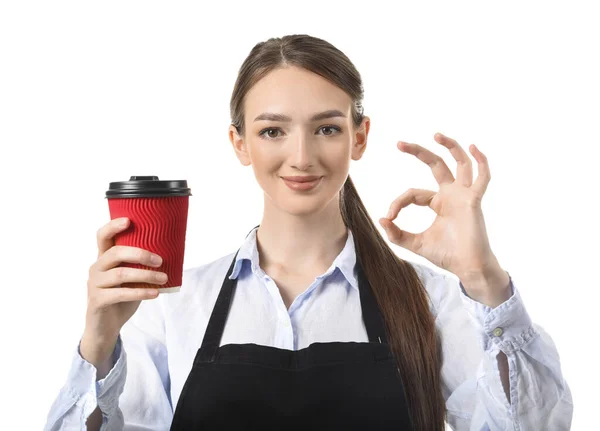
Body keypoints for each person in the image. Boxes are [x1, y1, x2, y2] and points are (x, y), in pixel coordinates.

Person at [44, 34, 573, 431]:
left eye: (326, 128)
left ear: (359, 137)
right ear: (239, 143)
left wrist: (483, 281)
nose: (301, 157)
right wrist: (98, 341)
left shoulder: (427, 300)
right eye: (273, 130)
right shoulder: (173, 306)